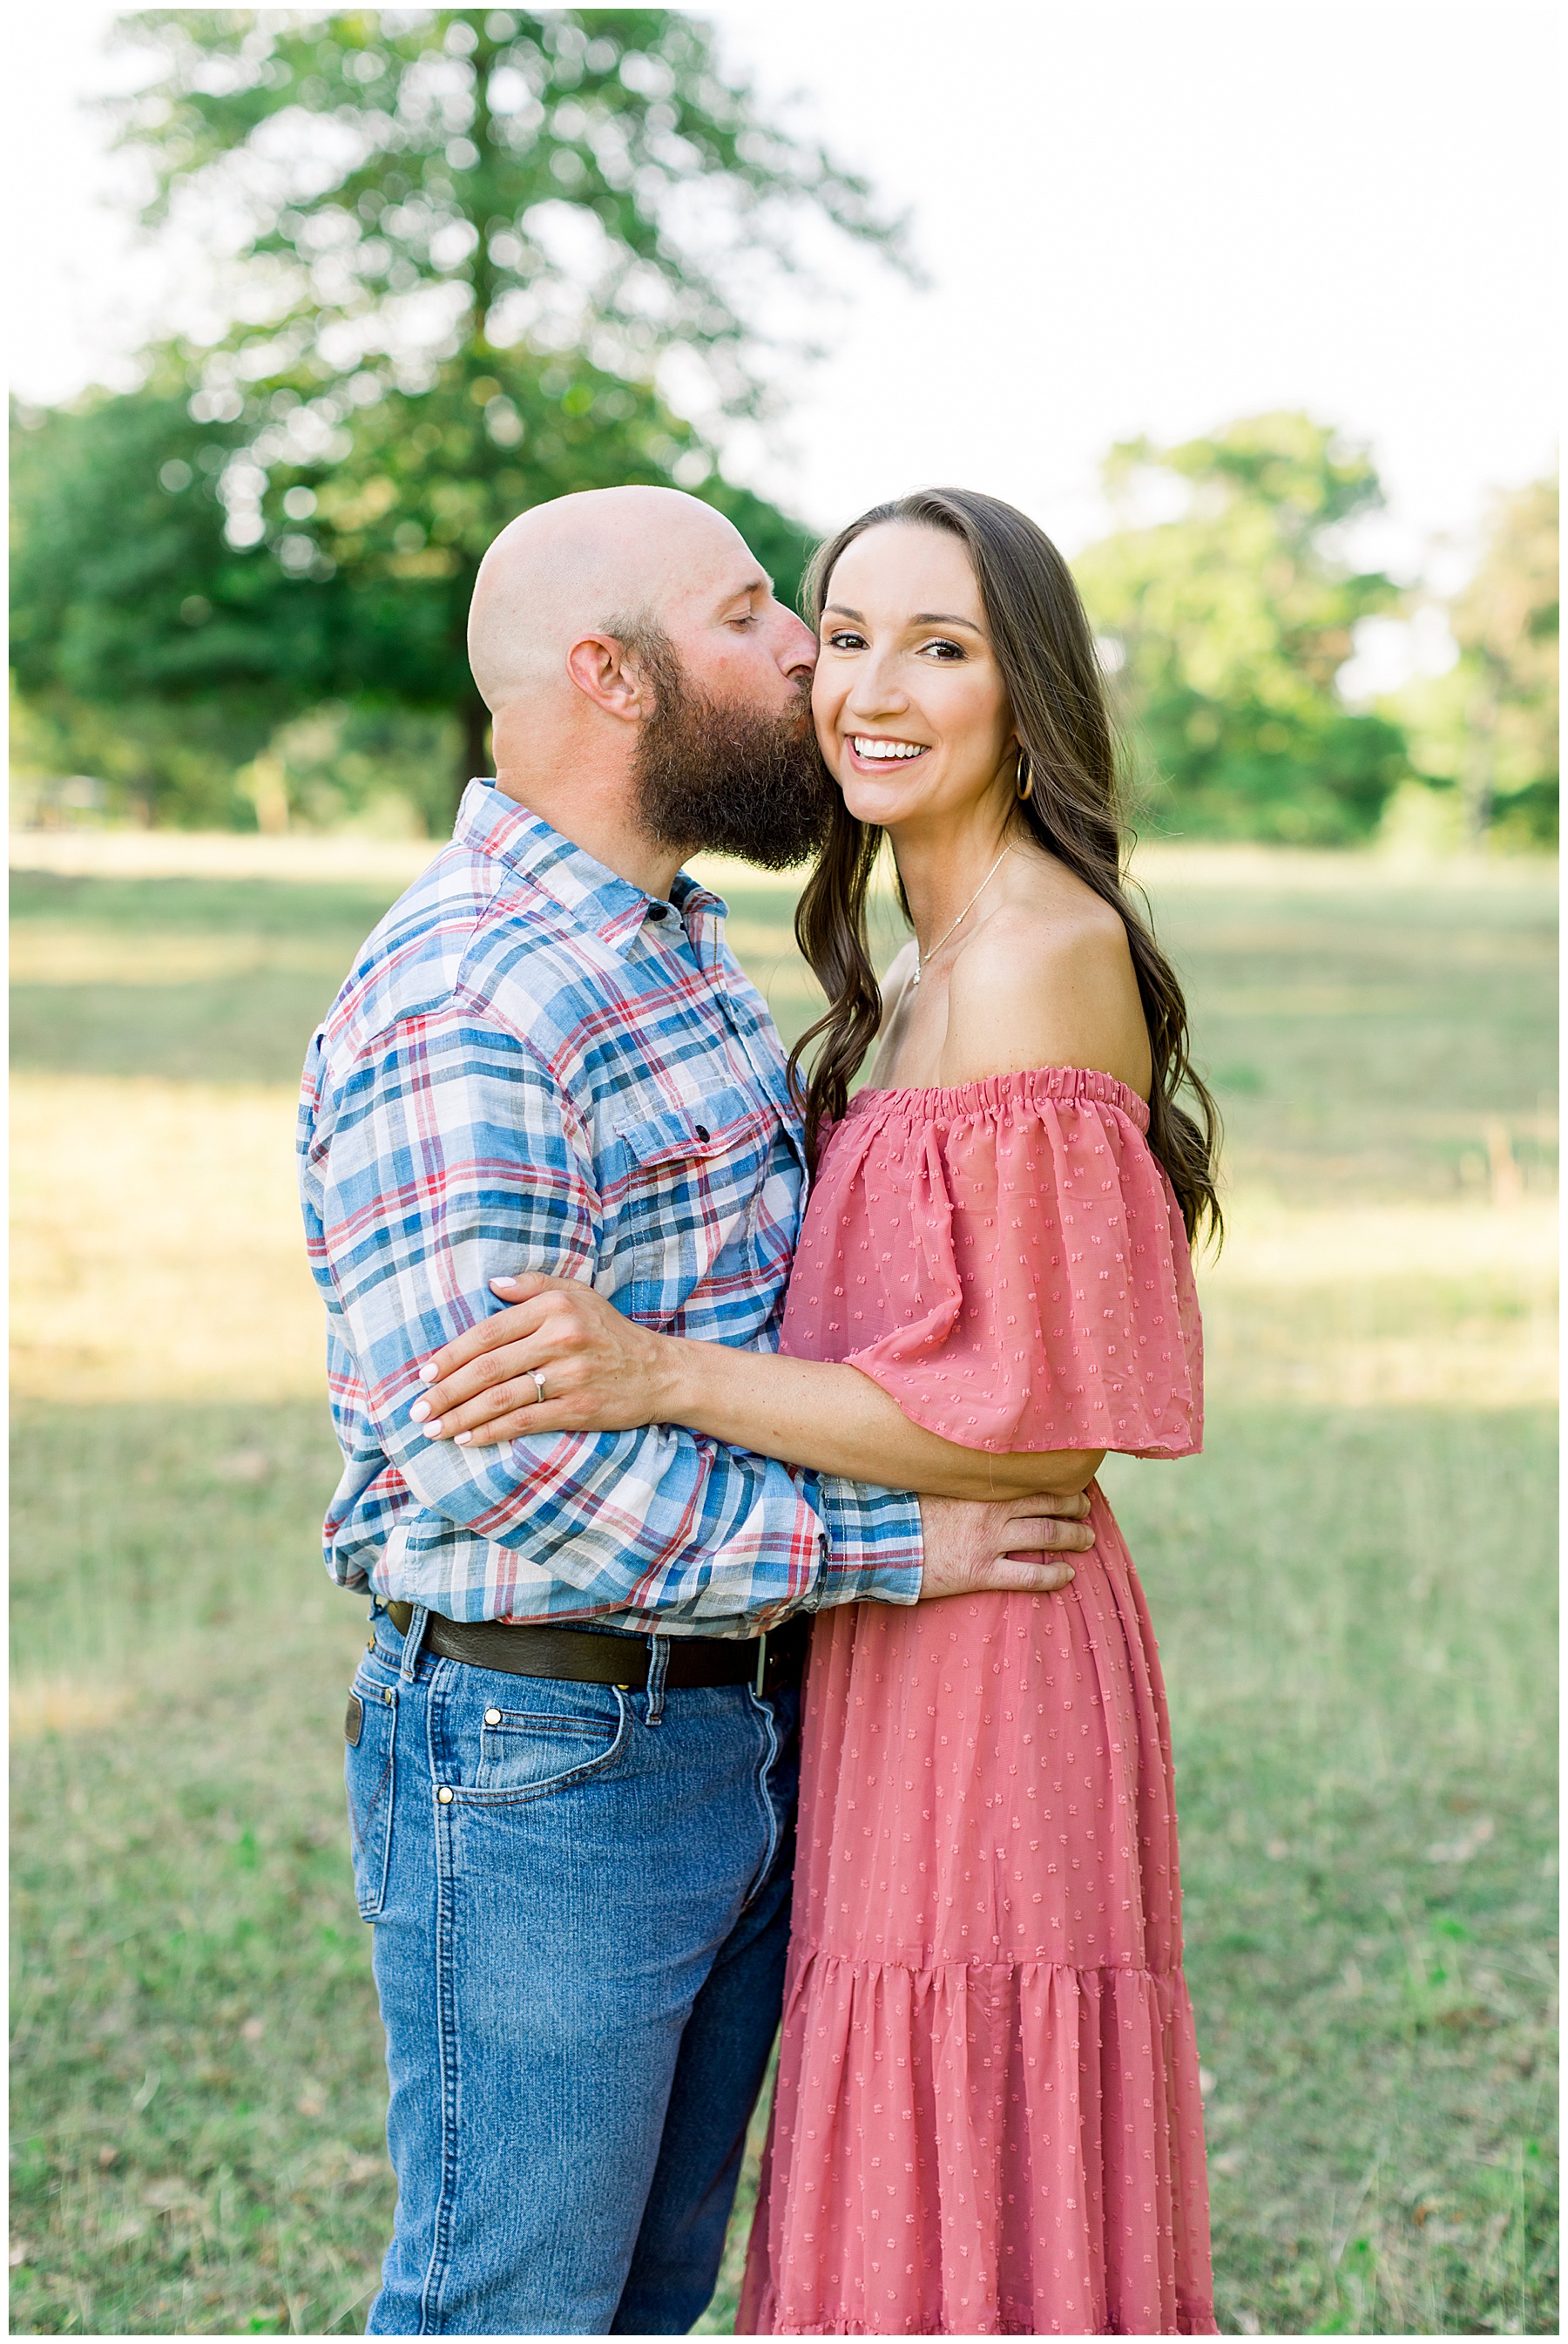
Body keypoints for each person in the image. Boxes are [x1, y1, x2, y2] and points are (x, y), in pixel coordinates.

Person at [416, 487, 1222, 2334]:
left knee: (977, 2154)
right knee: (892, 2145)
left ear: (1029, 693)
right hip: (881, 1623)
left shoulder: (1035, 955)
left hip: (993, 1636)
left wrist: (661, 1368)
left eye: (939, 646)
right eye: (843, 633)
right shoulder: (914, 964)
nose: (865, 683)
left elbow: (1041, 1428)